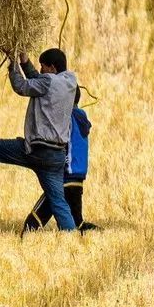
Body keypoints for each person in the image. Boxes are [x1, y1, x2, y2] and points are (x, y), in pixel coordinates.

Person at [0, 47, 78, 231]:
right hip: (57, 155)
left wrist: (13, 62)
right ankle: (70, 237)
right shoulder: (69, 82)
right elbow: (40, 81)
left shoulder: (48, 82)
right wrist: (24, 61)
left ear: (52, 68)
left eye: (43, 67)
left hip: (38, 150)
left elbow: (21, 86)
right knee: (58, 202)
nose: (41, 70)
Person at [22, 91, 93, 233]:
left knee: (35, 219)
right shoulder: (81, 117)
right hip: (77, 181)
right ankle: (98, 234)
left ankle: (26, 238)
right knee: (78, 223)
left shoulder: (65, 117)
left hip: (65, 177)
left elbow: (58, 142)